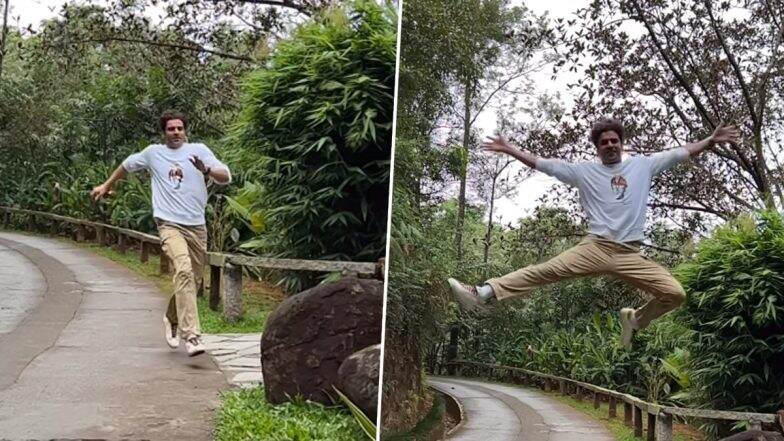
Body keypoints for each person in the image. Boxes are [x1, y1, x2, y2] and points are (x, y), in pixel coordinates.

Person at [448, 117, 740, 349]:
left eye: (615, 140)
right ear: (597, 148)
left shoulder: (643, 166)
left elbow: (683, 152)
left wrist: (712, 141)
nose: (610, 145)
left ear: (622, 144)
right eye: (604, 142)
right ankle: (482, 292)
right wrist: (511, 149)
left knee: (675, 294)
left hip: (630, 253)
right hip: (595, 248)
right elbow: (543, 165)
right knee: (544, 271)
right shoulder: (583, 172)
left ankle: (635, 320)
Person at [91, 110, 231, 356]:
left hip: (197, 226)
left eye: (179, 128)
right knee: (184, 270)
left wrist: (206, 170)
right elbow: (126, 165)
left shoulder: (199, 150)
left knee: (194, 279)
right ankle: (192, 335)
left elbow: (225, 177)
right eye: (170, 129)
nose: (175, 132)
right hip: (169, 224)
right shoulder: (153, 154)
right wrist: (106, 185)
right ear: (163, 132)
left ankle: (171, 317)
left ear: (185, 131)